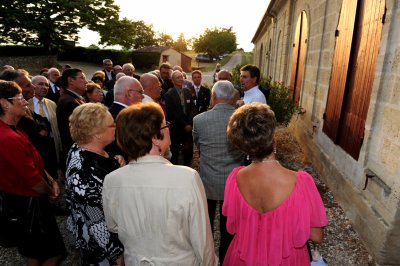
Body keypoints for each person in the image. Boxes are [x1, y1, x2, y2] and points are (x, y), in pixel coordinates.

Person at [102, 102, 218, 266]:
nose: (169, 129)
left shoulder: (112, 180)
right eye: (165, 125)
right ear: (156, 139)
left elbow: (113, 226)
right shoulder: (187, 178)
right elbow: (202, 240)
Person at [223, 103, 328, 265]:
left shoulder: (234, 179)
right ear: (273, 139)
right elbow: (317, 236)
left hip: (244, 257)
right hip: (286, 260)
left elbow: (234, 224)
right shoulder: (301, 182)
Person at [0, 80, 66, 265]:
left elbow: (33, 160)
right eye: (20, 98)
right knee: (53, 253)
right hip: (29, 205)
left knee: (34, 253)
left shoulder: (16, 129)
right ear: (4, 103)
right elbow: (33, 180)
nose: (25, 102)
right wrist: (50, 192)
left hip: (31, 201)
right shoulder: (7, 137)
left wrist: (52, 179)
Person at [65, 103, 124, 266]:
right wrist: (116, 255)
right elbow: (96, 219)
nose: (116, 127)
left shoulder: (83, 148)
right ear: (97, 134)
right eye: (112, 124)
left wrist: (115, 161)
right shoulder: (82, 171)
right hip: (101, 248)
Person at [192, 80, 243, 263]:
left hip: (208, 179)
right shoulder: (241, 118)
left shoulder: (199, 120)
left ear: (213, 97)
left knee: (205, 223)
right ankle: (226, 258)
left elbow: (198, 145)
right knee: (228, 226)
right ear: (232, 98)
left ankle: (207, 257)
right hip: (233, 181)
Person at [29, 75, 62, 177]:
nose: (44, 87)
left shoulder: (52, 104)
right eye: (40, 84)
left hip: (51, 144)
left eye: (47, 85)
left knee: (52, 172)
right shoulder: (26, 104)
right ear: (32, 85)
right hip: (34, 145)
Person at [56, 68, 87, 171]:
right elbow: (82, 131)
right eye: (82, 78)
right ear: (70, 81)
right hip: (78, 156)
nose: (86, 81)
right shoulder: (70, 102)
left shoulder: (73, 99)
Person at [164, 70, 195, 166]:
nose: (181, 79)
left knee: (188, 152)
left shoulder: (187, 92)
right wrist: (184, 124)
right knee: (175, 152)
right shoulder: (169, 95)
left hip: (188, 129)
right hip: (176, 129)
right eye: (178, 77)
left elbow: (192, 109)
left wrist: (190, 124)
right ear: (172, 80)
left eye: (181, 77)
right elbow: (172, 113)